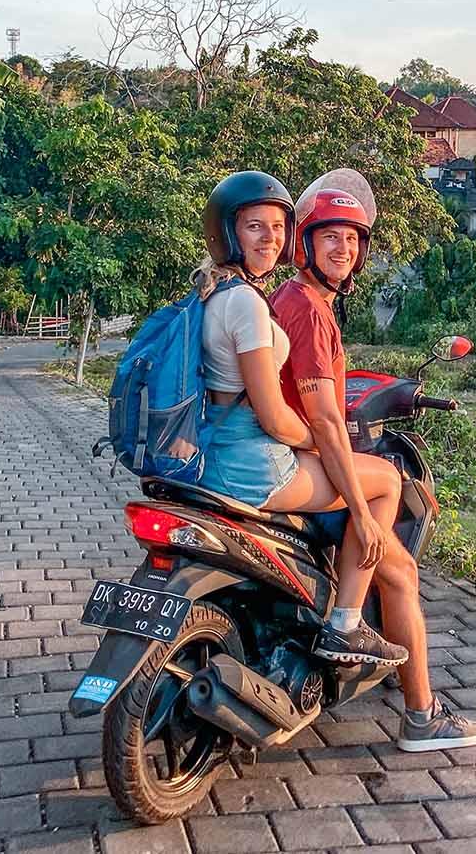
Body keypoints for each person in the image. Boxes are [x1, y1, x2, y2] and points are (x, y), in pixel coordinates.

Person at [270, 177, 476, 752]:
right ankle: (408, 700)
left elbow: (305, 394)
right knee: (390, 502)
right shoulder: (308, 309)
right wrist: (362, 510)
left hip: (286, 454)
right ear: (305, 245)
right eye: (329, 238)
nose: (342, 248)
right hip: (303, 465)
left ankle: (411, 701)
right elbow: (322, 419)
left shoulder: (293, 302)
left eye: (351, 239)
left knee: (398, 573)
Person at [193, 171, 409, 669]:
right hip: (249, 460)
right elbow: (273, 418)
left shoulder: (214, 292)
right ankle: (345, 625)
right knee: (383, 482)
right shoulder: (247, 303)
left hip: (212, 447)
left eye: (276, 227)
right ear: (229, 234)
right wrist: (323, 445)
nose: (269, 238)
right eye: (254, 228)